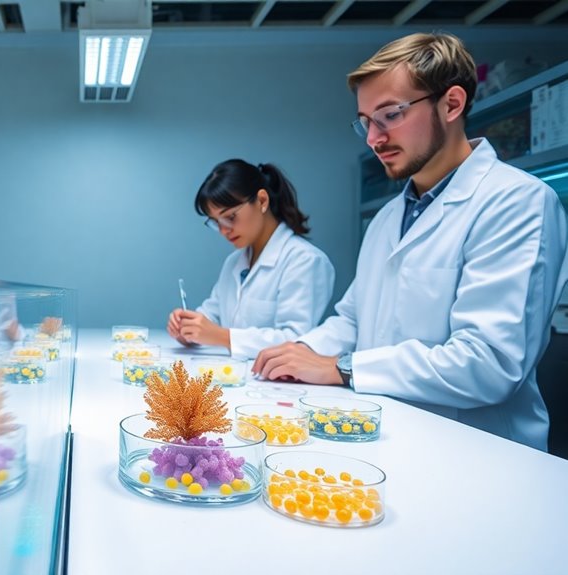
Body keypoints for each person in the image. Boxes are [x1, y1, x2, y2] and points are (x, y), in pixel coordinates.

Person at [252, 32, 568, 451]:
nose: (373, 139)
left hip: (479, 454)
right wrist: (297, 351)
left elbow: (489, 364)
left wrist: (342, 368)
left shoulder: (517, 202)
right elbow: (353, 318)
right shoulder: (388, 218)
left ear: (452, 104)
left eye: (390, 115)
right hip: (393, 436)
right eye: (365, 122)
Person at [167, 160, 335, 359]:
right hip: (235, 377)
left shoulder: (304, 260)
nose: (223, 230)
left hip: (278, 386)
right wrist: (188, 328)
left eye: (230, 217)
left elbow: (296, 340)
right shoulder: (234, 262)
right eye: (215, 222)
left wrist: (222, 337)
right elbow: (212, 314)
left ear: (262, 201)